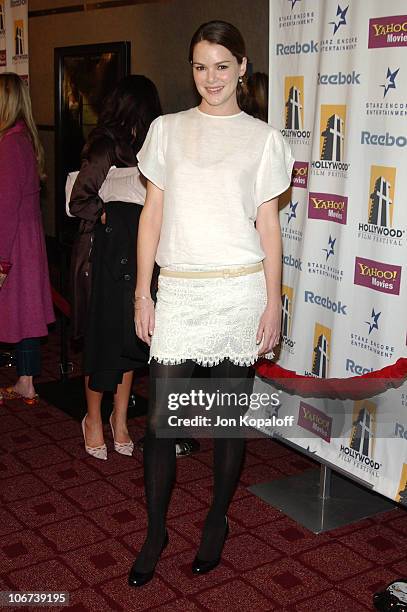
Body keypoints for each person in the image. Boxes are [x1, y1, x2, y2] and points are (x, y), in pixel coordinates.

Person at [129, 20, 294, 586]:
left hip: (239, 290)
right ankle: (155, 531)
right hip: (179, 290)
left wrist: (273, 303)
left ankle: (216, 521)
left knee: (225, 423)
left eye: (223, 66)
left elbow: (269, 228)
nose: (211, 78)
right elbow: (151, 215)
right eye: (200, 66)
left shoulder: (264, 139)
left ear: (243, 68)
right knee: (160, 425)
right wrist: (141, 291)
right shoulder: (167, 130)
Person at [69, 75, 162, 460]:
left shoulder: (150, 146)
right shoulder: (105, 144)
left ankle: (119, 418)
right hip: (102, 258)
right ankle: (93, 418)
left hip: (139, 255)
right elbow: (79, 199)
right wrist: (108, 215)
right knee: (102, 340)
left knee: (131, 339)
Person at [0, 72, 55, 405]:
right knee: (26, 312)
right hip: (26, 242)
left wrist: (2, 259)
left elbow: (4, 209)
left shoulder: (9, 144)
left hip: (13, 243)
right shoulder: (23, 138)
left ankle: (26, 380)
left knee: (21, 311)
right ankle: (26, 381)